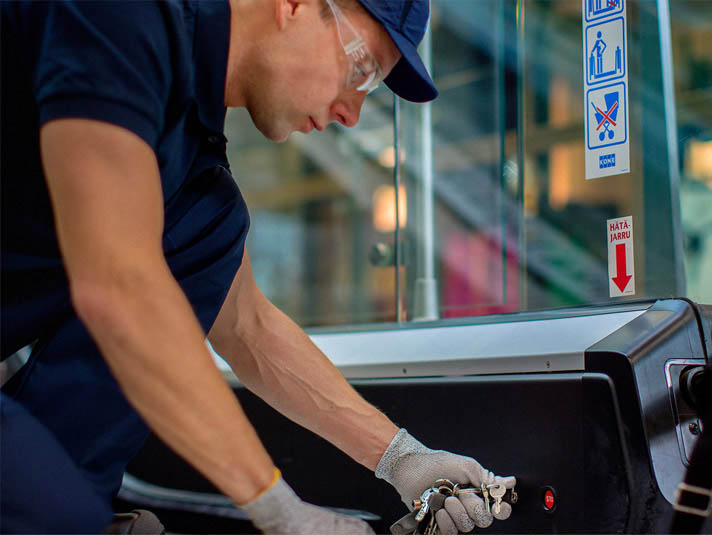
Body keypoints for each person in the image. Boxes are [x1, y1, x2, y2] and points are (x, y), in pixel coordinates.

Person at [0, 0, 516, 533]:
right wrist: (278, 509)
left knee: (208, 237)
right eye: (361, 71)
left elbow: (248, 326)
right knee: (50, 512)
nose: (352, 113)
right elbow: (117, 286)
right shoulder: (120, 18)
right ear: (293, 5)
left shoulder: (192, 169)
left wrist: (403, 459)